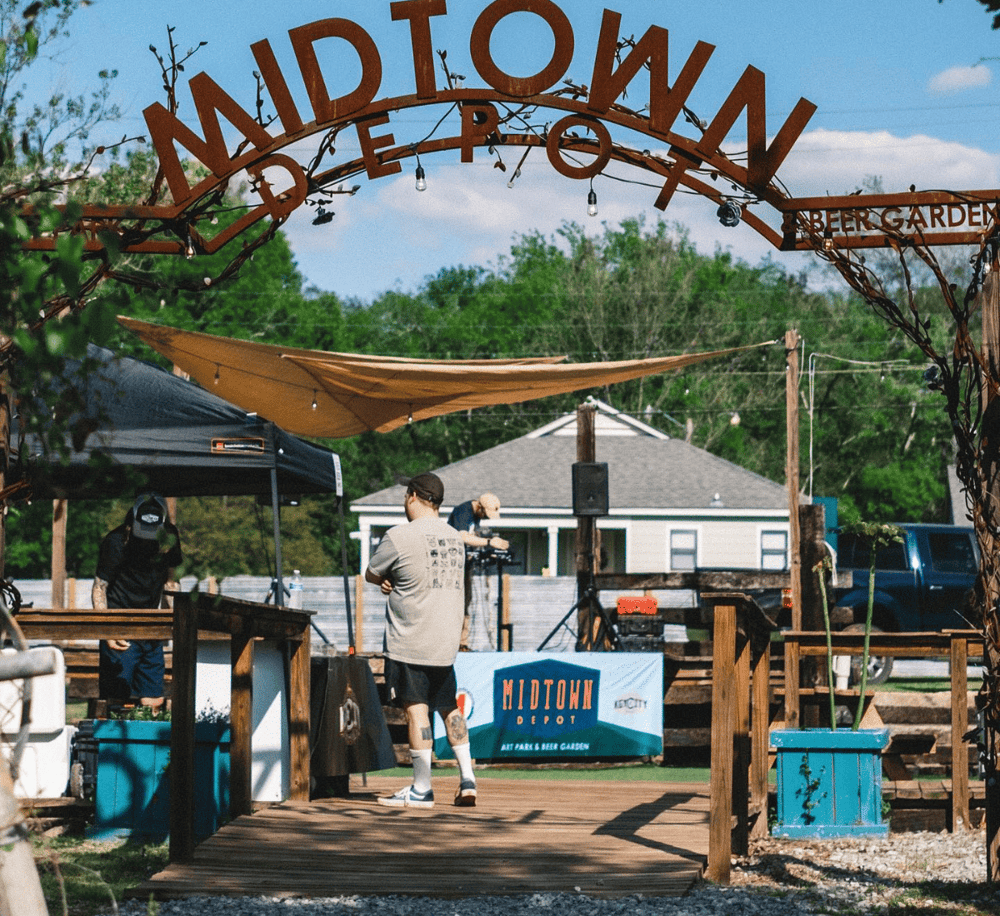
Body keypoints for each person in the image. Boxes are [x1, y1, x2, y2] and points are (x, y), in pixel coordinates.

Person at [366, 472, 477, 808]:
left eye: (405, 495)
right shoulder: (455, 538)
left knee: (417, 713)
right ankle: (468, 779)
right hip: (445, 643)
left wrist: (385, 580)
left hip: (410, 640)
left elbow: (372, 572)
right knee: (449, 708)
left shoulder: (398, 536)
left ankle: (421, 789)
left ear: (413, 496)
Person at [93, 492, 182, 714]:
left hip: (151, 627)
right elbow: (99, 587)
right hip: (119, 626)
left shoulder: (170, 538)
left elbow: (171, 581)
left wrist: (172, 621)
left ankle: (147, 735)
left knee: (154, 700)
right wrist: (107, 631)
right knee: (118, 699)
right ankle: (115, 735)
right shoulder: (116, 541)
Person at [447, 493, 509, 650]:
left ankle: (462, 644)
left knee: (465, 601)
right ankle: (453, 643)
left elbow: (472, 536)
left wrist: (488, 550)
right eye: (485, 515)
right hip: (452, 566)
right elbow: (462, 536)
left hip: (464, 564)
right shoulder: (464, 511)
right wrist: (489, 542)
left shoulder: (475, 516)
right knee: (455, 604)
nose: (485, 518)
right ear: (479, 507)